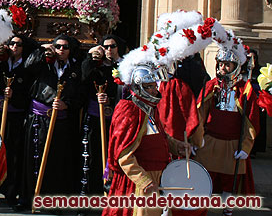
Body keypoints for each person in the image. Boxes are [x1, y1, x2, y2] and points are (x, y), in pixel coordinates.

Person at [103, 62, 189, 216]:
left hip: (159, 176)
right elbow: (123, 154)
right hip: (139, 181)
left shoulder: (149, 109)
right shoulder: (129, 110)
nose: (155, 90)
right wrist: (143, 180)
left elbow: (160, 137)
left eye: (154, 86)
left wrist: (177, 146)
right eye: (149, 86)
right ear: (138, 87)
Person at [195, 38, 260, 216]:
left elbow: (250, 122)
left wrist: (246, 147)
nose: (222, 69)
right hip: (209, 143)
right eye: (221, 65)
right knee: (205, 180)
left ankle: (227, 211)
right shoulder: (211, 86)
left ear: (236, 66)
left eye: (227, 65)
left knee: (229, 181)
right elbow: (199, 115)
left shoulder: (244, 90)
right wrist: (197, 138)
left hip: (232, 145)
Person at [21, 35, 84, 207]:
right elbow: (28, 66)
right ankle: (30, 197)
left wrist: (67, 105)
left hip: (61, 121)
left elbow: (80, 96)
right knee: (35, 157)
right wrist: (42, 49)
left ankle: (54, 199)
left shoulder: (76, 69)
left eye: (65, 47)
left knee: (57, 160)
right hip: (39, 119)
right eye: (58, 47)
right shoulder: (44, 64)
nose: (61, 50)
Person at [0, 34, 35, 209]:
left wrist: (15, 95)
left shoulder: (27, 65)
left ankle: (10, 191)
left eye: (18, 44)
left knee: (12, 154)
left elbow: (29, 89)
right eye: (11, 43)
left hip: (14, 114)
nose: (14, 47)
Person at [79, 34, 125, 194]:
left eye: (112, 46)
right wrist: (91, 55)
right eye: (105, 47)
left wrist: (111, 100)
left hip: (117, 119)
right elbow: (85, 77)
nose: (109, 50)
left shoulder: (124, 66)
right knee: (92, 156)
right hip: (95, 117)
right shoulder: (96, 66)